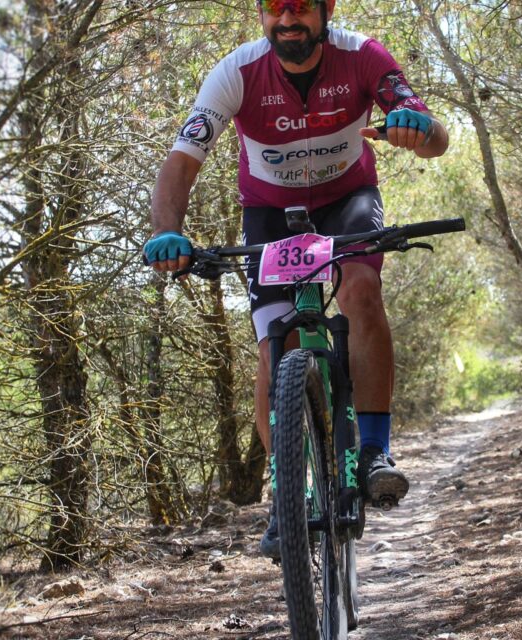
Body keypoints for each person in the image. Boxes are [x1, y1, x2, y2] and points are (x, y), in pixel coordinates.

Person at [144, 0, 448, 559]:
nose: (287, 18)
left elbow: (434, 136)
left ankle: (375, 452)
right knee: (273, 344)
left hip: (348, 202)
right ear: (260, 13)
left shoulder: (362, 56)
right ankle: (288, 493)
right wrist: (168, 231)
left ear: (326, 8)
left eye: (301, 5)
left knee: (361, 291)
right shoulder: (235, 73)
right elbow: (183, 159)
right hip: (269, 214)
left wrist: (417, 128)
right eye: (274, 6)